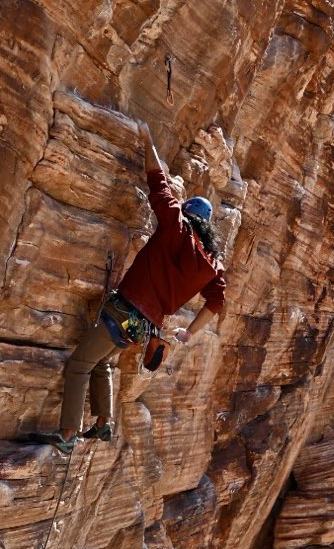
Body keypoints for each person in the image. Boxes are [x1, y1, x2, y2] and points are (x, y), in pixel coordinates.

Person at [49, 123, 226, 454]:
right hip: (144, 329)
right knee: (101, 361)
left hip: (125, 309)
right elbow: (217, 301)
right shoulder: (212, 265)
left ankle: (68, 433)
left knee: (79, 364)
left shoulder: (177, 227)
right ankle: (103, 424)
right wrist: (189, 332)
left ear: (189, 215)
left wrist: (147, 139)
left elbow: (158, 182)